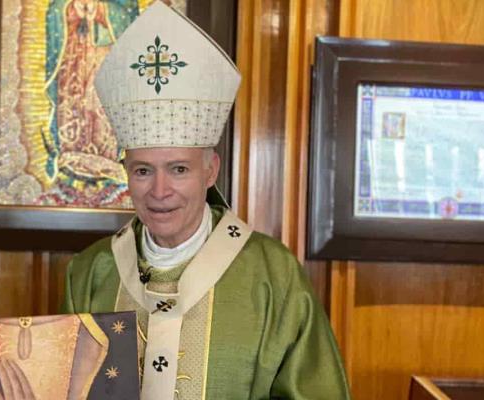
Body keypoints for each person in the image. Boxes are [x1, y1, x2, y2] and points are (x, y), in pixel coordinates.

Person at [61, 2, 351, 399]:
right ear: (126, 172)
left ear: (210, 171)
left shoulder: (272, 275)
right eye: (143, 170)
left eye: (179, 169)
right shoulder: (91, 272)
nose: (160, 191)